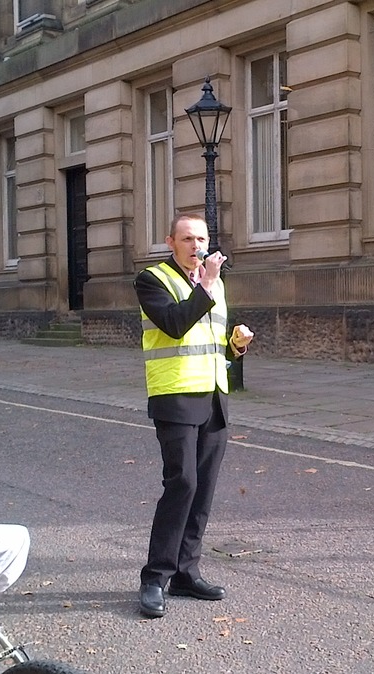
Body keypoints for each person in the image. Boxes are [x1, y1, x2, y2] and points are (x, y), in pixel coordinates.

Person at [134, 213, 254, 619]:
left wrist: (237, 346)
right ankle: (154, 577)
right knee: (181, 482)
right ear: (171, 242)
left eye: (201, 238)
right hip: (175, 397)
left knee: (202, 490)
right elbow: (172, 325)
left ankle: (186, 572)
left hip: (214, 397)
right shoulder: (152, 280)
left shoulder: (215, 284)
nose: (196, 245)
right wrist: (204, 284)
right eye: (187, 238)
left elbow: (215, 343)